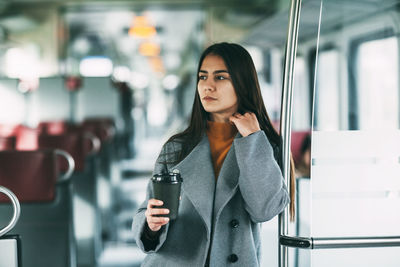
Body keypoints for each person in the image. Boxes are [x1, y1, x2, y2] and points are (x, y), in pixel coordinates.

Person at [132, 42, 294, 266]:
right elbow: (147, 209)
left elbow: (263, 210)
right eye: (202, 77)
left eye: (220, 77)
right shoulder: (176, 147)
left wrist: (252, 140)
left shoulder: (264, 146)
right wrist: (150, 224)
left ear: (243, 84)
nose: (207, 86)